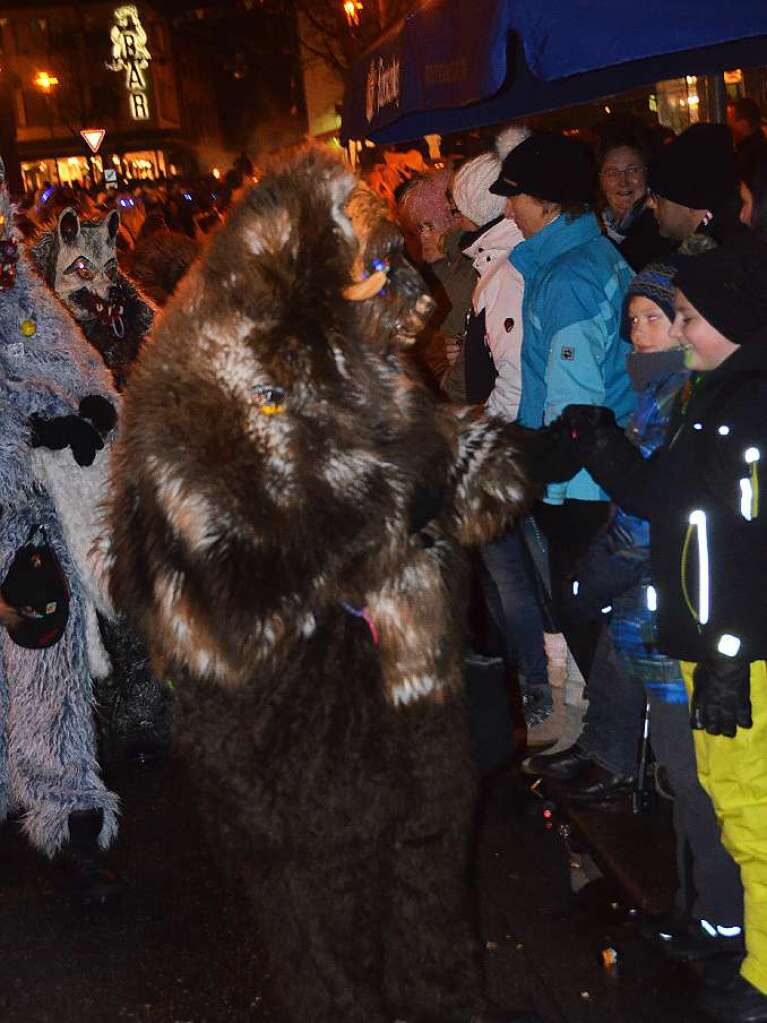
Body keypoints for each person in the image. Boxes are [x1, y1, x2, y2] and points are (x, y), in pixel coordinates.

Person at [561, 243, 767, 1022]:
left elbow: (747, 545)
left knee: (751, 808)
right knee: (724, 797)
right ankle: (741, 942)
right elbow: (668, 499)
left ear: (732, 319)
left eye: (685, 316)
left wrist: (726, 651)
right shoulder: (716, 393)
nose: (676, 331)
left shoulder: (749, 405)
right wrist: (603, 447)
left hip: (736, 649)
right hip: (703, 639)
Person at [489, 131, 635, 680]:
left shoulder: (570, 276)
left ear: (548, 202)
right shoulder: (569, 261)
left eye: (515, 195)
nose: (508, 207)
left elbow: (573, 405)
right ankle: (606, 744)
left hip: (580, 485)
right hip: (588, 474)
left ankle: (611, 752)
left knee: (587, 618)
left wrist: (539, 477)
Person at [648, 122, 750, 253]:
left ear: (689, 200)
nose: (651, 204)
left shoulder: (722, 258)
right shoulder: (727, 238)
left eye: (657, 197)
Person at [596, 120, 672, 270]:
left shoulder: (663, 228)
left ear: (646, 173)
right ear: (600, 179)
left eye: (633, 170)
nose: (623, 181)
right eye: (612, 173)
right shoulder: (594, 228)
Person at [728, 96, 767, 165]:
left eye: (731, 121)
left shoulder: (751, 157)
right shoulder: (758, 148)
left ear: (743, 124)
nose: (729, 126)